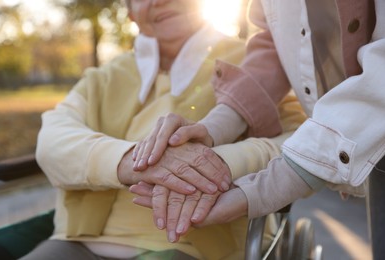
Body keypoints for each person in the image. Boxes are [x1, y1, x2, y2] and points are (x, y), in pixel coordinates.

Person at [20, 0, 307, 259]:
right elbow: (53, 140)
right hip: (78, 243)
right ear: (131, 12)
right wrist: (133, 162)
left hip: (195, 248)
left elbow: (302, 140)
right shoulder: (102, 78)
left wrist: (219, 164)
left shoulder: (256, 62)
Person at [130, 0, 385, 258]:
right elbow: (275, 44)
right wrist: (210, 130)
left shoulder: (226, 51)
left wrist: (259, 187)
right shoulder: (107, 77)